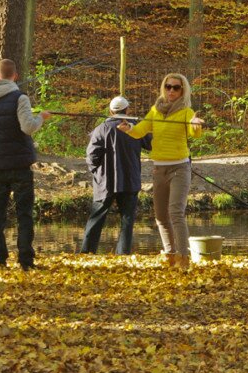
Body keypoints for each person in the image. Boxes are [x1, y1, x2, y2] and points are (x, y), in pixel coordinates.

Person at [119, 74, 204, 269]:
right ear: (163, 88)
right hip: (159, 168)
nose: (171, 91)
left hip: (180, 168)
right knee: (160, 215)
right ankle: (170, 255)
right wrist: (128, 128)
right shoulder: (155, 110)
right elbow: (140, 130)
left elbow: (194, 133)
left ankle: (183, 258)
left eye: (176, 88)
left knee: (175, 212)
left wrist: (196, 125)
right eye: (168, 86)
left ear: (183, 91)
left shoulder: (185, 112)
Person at [0, 58, 52, 271]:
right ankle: (25, 260)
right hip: (20, 165)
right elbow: (28, 127)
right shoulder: (19, 98)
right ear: (15, 76)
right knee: (24, 214)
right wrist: (41, 117)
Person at [81, 96, 151, 255]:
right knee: (127, 221)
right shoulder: (135, 128)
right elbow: (151, 144)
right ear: (127, 110)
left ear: (111, 111)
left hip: (105, 182)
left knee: (96, 218)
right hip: (129, 181)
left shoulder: (101, 129)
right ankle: (123, 254)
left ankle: (87, 253)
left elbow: (92, 156)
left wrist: (97, 172)